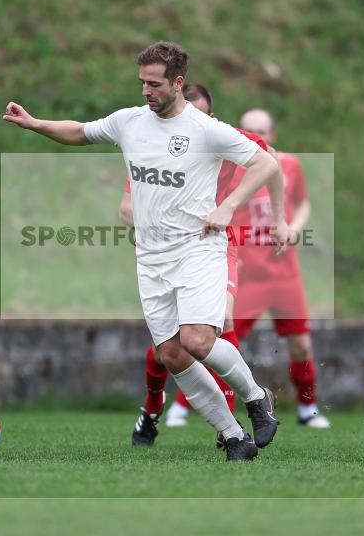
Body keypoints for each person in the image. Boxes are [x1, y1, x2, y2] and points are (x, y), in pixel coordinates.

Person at [3, 42, 287, 461]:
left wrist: (228, 206)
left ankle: (257, 397)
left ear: (178, 82)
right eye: (142, 83)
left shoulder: (205, 129)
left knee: (198, 340)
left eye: (154, 84)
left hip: (198, 250)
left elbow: (266, 163)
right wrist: (34, 124)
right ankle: (233, 437)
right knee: (170, 354)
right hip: (152, 257)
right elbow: (80, 132)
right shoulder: (129, 122)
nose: (145, 91)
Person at [119, 83, 287, 447]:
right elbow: (126, 208)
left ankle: (239, 419)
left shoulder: (221, 137)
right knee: (168, 349)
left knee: (218, 326)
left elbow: (270, 161)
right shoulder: (153, 151)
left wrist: (280, 219)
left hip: (213, 245)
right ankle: (153, 409)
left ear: (210, 117)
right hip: (162, 254)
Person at [232, 108, 331, 429]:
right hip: (248, 272)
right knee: (223, 342)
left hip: (285, 272)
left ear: (272, 134)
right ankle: (186, 408)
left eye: (261, 131)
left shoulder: (289, 164)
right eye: (248, 130)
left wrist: (294, 229)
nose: (255, 136)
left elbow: (303, 204)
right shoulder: (230, 166)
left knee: (301, 344)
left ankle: (308, 409)